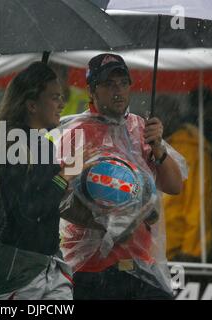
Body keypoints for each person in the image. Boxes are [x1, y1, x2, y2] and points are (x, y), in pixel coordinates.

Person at [57, 53, 187, 299]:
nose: (118, 91)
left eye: (122, 83)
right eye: (108, 84)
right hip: (92, 269)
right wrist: (110, 222)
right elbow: (61, 201)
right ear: (91, 91)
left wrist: (158, 147)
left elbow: (174, 186)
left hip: (140, 265)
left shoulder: (142, 128)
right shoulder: (76, 134)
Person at [0, 62, 95, 300]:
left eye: (61, 97)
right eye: (54, 97)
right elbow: (31, 209)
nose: (62, 104)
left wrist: (103, 220)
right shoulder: (14, 144)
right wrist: (66, 174)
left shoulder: (42, 144)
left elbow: (50, 203)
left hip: (49, 260)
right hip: (17, 268)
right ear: (32, 105)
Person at [155, 95, 212, 262]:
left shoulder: (192, 150)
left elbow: (199, 203)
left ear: (176, 115)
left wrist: (192, 251)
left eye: (164, 114)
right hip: (151, 250)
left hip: (177, 253)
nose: (160, 121)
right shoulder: (152, 145)